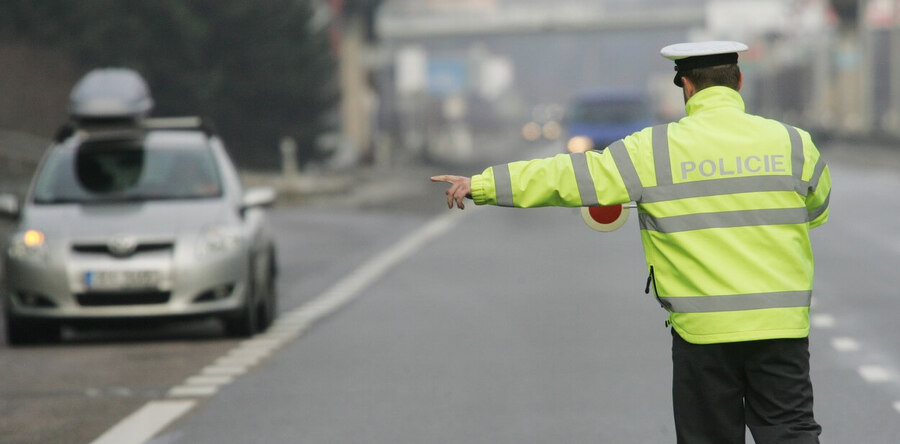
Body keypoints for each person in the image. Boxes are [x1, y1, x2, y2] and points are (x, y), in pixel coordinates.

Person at [431, 41, 831, 444]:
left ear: (687, 87)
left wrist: (480, 185)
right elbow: (817, 209)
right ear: (739, 81)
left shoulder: (653, 150)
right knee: (791, 433)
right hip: (780, 327)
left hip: (703, 333)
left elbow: (569, 178)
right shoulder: (794, 144)